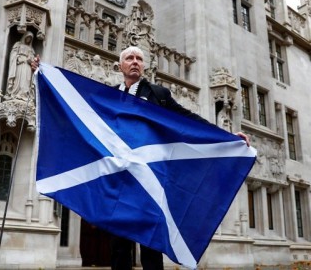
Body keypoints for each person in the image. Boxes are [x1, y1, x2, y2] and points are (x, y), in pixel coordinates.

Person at [31, 46, 250, 270]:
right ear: (120, 65)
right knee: (119, 246)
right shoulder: (108, 96)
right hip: (119, 184)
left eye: (139, 59)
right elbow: (76, 100)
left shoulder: (158, 94)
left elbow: (188, 120)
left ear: (144, 66)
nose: (135, 61)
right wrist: (43, 73)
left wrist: (225, 136)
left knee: (150, 248)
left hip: (148, 183)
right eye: (129, 58)